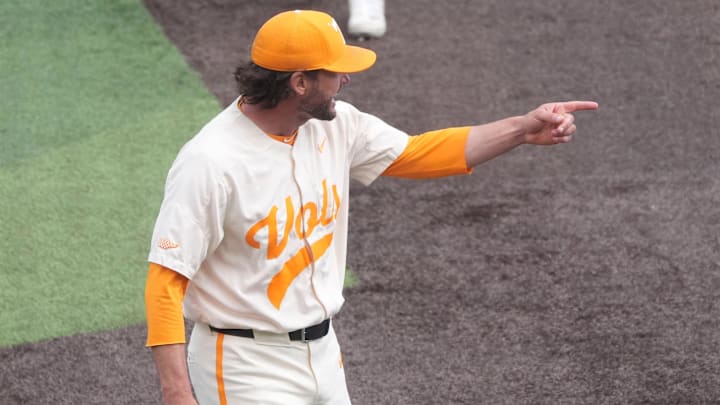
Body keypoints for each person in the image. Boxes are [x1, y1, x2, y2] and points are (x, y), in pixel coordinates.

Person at [144, 9, 598, 405]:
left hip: (323, 353)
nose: (346, 79)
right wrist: (178, 394)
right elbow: (165, 282)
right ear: (299, 83)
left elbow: (418, 153)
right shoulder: (210, 161)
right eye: (334, 72)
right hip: (244, 365)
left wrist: (521, 129)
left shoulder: (336, 125)